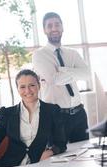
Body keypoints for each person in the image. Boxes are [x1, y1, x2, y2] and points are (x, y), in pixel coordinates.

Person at [32, 12, 90, 143]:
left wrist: (63, 71)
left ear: (62, 27)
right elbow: (54, 80)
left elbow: (87, 74)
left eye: (57, 24)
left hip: (79, 114)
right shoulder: (39, 55)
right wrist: (75, 72)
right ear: (44, 30)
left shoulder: (72, 53)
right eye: (49, 26)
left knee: (84, 156)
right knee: (58, 158)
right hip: (55, 116)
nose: (54, 28)